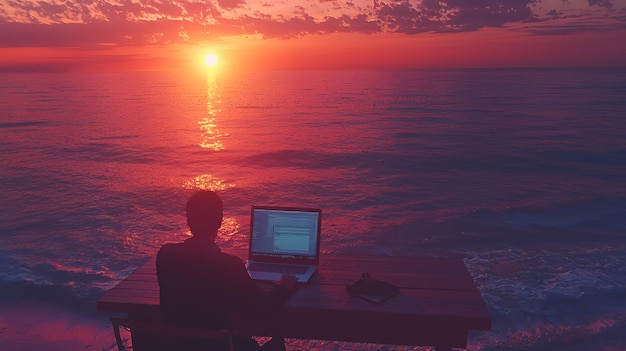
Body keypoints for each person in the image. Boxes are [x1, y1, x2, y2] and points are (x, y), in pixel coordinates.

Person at [151, 190, 297, 351]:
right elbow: (266, 307)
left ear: (188, 221)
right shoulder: (229, 266)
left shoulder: (165, 255)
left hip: (177, 346)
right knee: (276, 344)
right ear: (220, 222)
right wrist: (284, 288)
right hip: (220, 346)